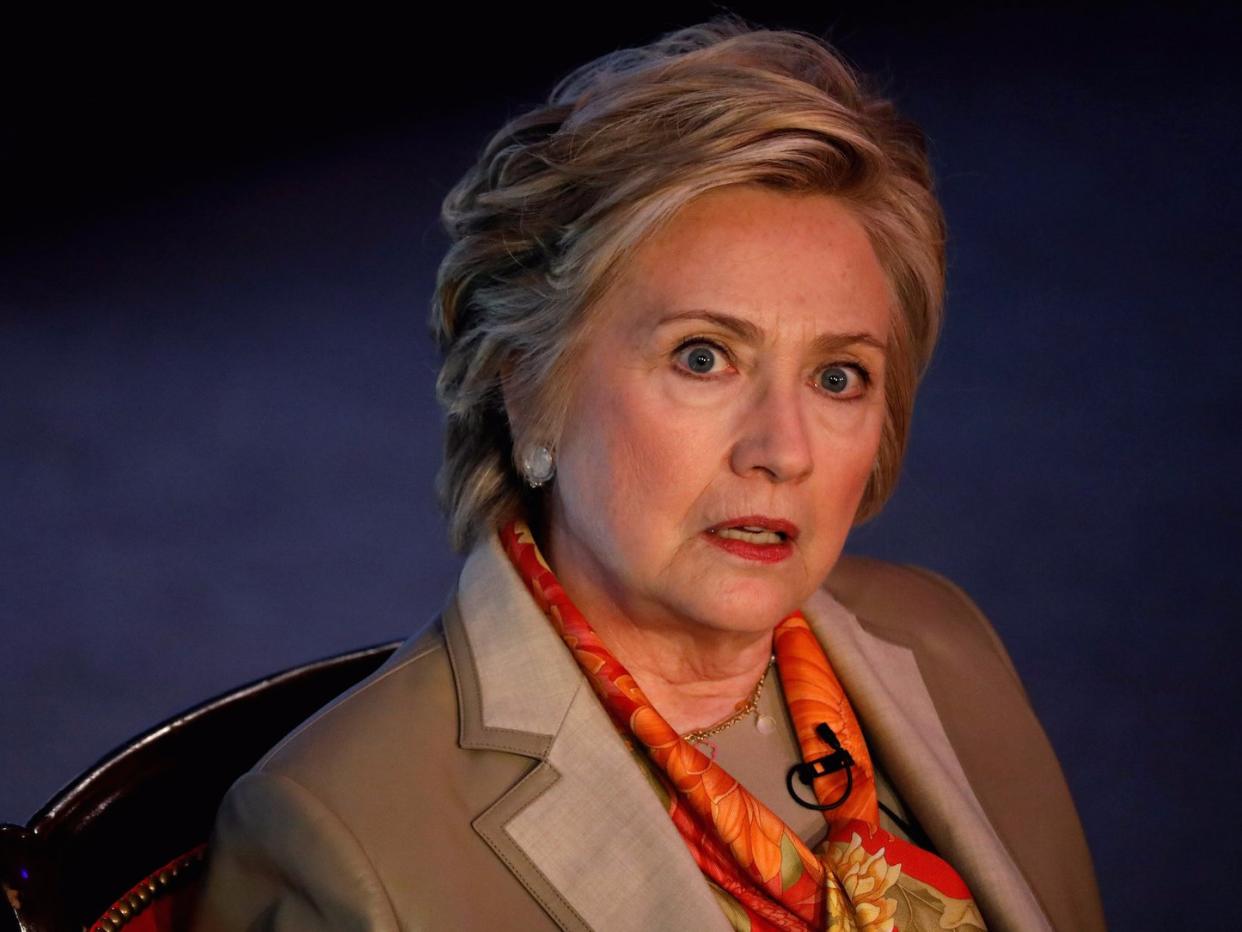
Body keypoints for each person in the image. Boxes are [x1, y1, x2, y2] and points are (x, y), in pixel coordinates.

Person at [191, 18, 1105, 932]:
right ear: (528, 389)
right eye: (703, 357)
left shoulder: (942, 639)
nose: (782, 450)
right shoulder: (337, 834)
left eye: (837, 377)